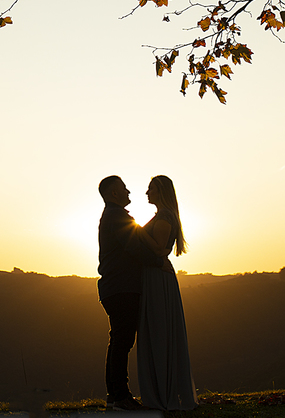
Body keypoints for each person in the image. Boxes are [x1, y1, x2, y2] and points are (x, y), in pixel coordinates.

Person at [96, 175, 161, 411]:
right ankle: (121, 396)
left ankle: (115, 396)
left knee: (118, 341)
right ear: (114, 194)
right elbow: (134, 248)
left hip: (113, 287)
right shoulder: (117, 217)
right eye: (124, 189)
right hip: (122, 287)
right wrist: (158, 260)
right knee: (122, 342)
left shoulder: (112, 217)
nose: (129, 193)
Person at [136, 175, 197, 410]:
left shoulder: (164, 218)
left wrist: (139, 233)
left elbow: (160, 251)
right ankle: (162, 388)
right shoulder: (162, 216)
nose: (146, 193)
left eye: (150, 189)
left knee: (160, 330)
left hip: (158, 276)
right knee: (158, 330)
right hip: (155, 276)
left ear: (160, 191)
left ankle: (163, 392)